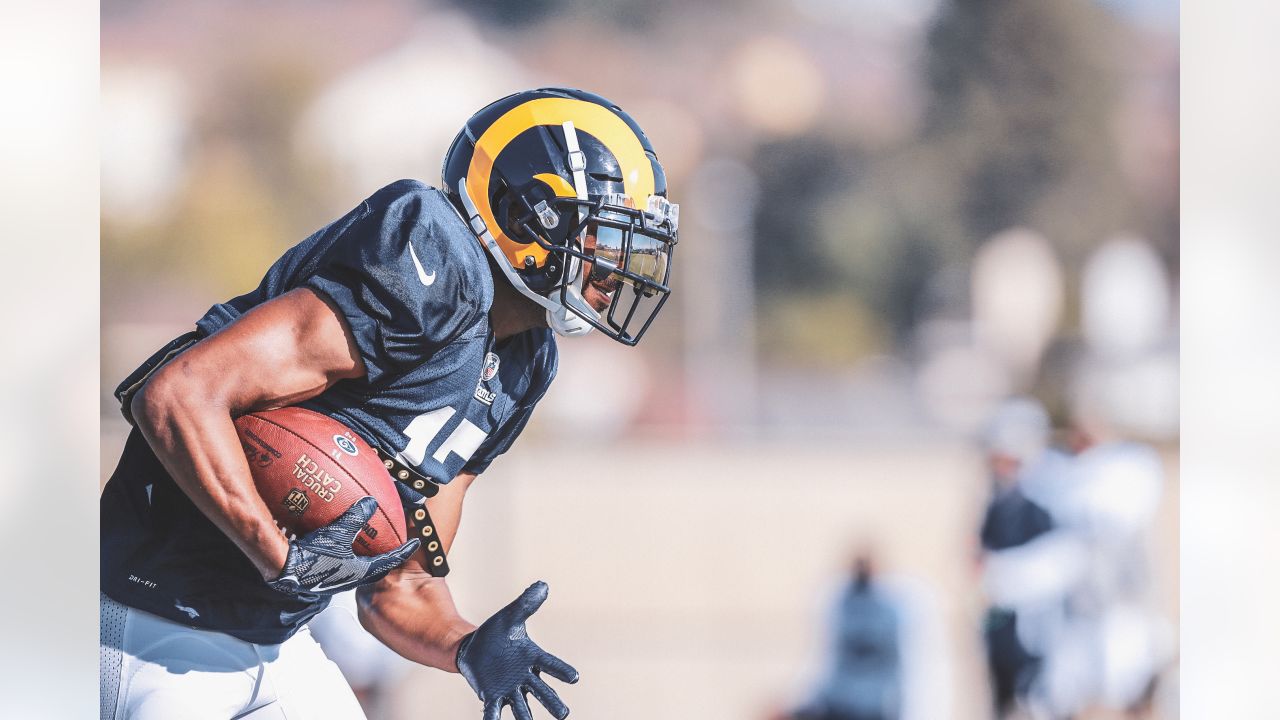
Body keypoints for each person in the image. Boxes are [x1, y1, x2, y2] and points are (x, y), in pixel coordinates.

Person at [99, 87, 680, 720]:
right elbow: (181, 392)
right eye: (605, 238)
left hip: (276, 645)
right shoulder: (432, 259)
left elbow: (400, 583)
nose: (619, 267)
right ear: (531, 215)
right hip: (150, 626)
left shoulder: (525, 362)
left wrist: (465, 646)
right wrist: (277, 554)